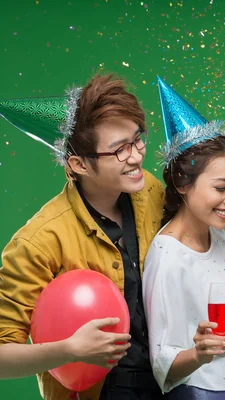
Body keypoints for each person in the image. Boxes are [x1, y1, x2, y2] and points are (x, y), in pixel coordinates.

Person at [0, 74, 165, 399]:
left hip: (168, 384)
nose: (135, 156)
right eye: (119, 150)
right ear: (79, 164)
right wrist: (69, 350)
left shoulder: (150, 190)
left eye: (137, 139)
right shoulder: (39, 241)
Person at [142, 78, 225, 399]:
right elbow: (162, 360)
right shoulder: (167, 258)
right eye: (221, 187)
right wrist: (199, 353)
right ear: (182, 184)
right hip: (198, 392)